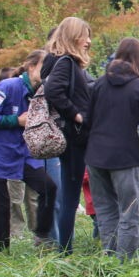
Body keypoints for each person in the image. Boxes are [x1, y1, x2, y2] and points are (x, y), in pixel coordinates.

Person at [0, 50, 56, 251]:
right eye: (43, 66)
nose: (46, 72)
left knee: (49, 188)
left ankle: (42, 235)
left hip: (21, 154)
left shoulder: (43, 93)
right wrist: (16, 121)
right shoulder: (8, 87)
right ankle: (1, 250)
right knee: (1, 204)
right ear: (31, 66)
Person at [85, 38, 139, 260]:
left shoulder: (98, 84)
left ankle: (110, 257)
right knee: (129, 212)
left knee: (106, 210)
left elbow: (88, 121)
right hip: (125, 157)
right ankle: (125, 262)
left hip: (96, 156)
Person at [43, 16, 94, 254]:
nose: (88, 41)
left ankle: (66, 248)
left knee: (70, 194)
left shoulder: (59, 61)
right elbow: (54, 91)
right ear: (74, 36)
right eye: (85, 35)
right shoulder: (65, 62)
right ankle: (65, 251)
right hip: (74, 138)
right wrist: (77, 115)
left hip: (72, 137)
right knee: (71, 196)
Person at [0, 66, 37, 239]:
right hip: (12, 152)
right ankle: (16, 231)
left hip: (32, 151)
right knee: (15, 195)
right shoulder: (4, 98)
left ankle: (39, 231)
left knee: (34, 195)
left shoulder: (33, 94)